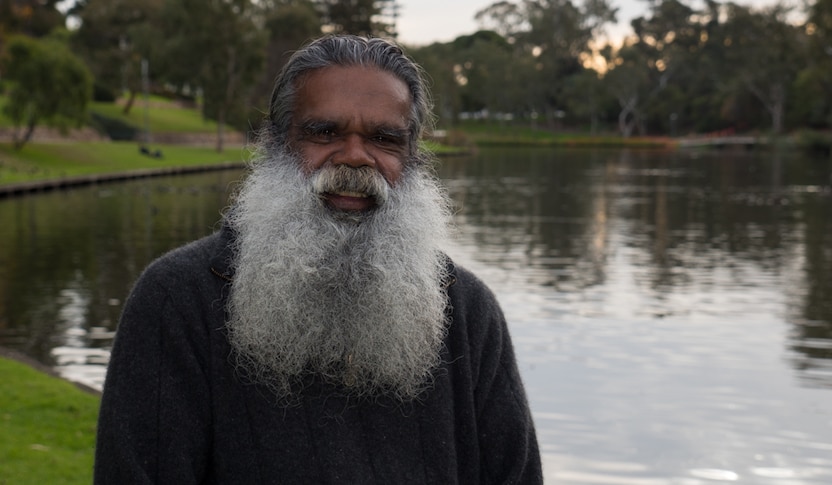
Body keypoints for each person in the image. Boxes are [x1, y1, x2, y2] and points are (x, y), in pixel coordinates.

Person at [94, 34, 543, 484]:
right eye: (324, 133)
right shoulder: (177, 299)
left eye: (384, 139)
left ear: (412, 158)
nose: (354, 158)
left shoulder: (467, 311)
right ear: (276, 144)